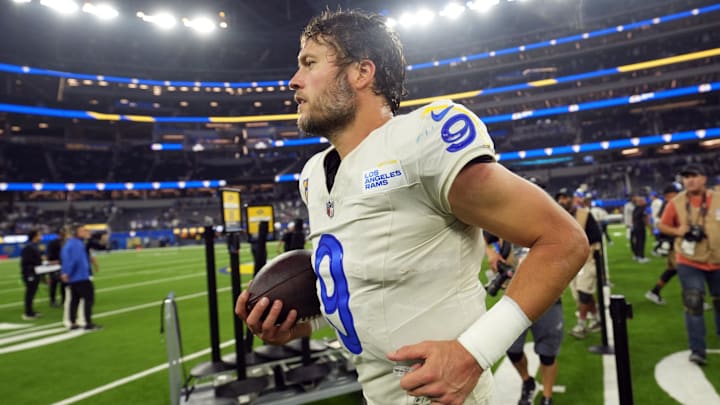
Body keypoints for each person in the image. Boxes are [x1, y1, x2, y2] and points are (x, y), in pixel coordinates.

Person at [236, 9, 588, 405]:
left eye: (309, 63)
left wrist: (474, 352)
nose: (293, 80)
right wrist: (302, 325)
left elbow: (563, 240)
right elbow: (370, 293)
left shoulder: (421, 141)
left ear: (361, 73)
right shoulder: (314, 176)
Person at [484, 232, 562, 405]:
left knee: (547, 353)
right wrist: (491, 254)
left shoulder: (548, 217)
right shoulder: (506, 220)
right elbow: (480, 236)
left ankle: (547, 398)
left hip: (547, 295)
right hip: (515, 297)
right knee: (512, 349)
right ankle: (528, 381)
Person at [658, 163, 719, 366]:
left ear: (704, 178)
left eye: (694, 176)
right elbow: (662, 225)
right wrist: (678, 231)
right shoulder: (676, 202)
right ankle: (698, 350)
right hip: (689, 261)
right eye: (686, 177)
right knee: (693, 303)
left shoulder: (717, 198)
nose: (690, 180)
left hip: (718, 260)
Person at [555, 188, 604, 339]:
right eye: (560, 198)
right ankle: (596, 319)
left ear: (572, 198)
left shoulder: (584, 215)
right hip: (571, 261)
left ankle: (581, 325)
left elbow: (596, 236)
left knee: (583, 291)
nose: (562, 201)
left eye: (565, 197)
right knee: (580, 293)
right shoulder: (559, 217)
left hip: (588, 258)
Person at [61, 224, 101, 331]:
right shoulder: (77, 244)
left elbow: (65, 260)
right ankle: (88, 323)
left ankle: (73, 322)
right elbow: (75, 260)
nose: (85, 233)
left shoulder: (68, 244)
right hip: (81, 277)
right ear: (76, 233)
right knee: (88, 300)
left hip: (74, 278)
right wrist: (67, 273)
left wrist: (65, 273)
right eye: (82, 231)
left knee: (74, 301)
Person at [645, 185, 680, 305]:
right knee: (685, 270)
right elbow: (663, 225)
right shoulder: (669, 205)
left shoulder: (667, 204)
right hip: (673, 243)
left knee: (671, 270)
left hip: (671, 242)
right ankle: (695, 300)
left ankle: (654, 292)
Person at [20, 229, 43, 320]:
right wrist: (39, 261)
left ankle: (30, 311)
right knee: (30, 293)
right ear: (35, 236)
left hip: (34, 272)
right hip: (30, 273)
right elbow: (27, 261)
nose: (40, 237)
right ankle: (28, 313)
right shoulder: (29, 247)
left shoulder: (34, 246)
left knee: (32, 293)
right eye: (39, 235)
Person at [46, 226, 68, 307]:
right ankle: (53, 301)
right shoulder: (53, 243)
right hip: (55, 266)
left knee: (64, 285)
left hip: (64, 266)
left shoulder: (66, 242)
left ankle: (64, 300)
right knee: (54, 284)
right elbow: (49, 256)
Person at [631, 194, 651, 263]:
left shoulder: (636, 208)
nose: (645, 201)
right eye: (644, 200)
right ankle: (641, 257)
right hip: (640, 227)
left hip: (635, 226)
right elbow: (645, 218)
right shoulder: (643, 208)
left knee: (637, 242)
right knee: (641, 242)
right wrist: (650, 228)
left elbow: (633, 218)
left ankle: (636, 255)